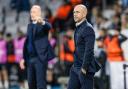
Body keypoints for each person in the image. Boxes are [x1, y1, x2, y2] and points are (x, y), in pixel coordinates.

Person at [19, 5, 55, 89]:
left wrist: (42, 22)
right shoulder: (29, 26)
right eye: (31, 12)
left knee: (40, 84)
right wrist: (24, 58)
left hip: (40, 58)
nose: (32, 14)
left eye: (34, 12)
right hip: (30, 59)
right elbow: (28, 43)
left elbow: (49, 26)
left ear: (39, 13)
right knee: (31, 84)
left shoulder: (43, 22)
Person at [67, 4, 101, 89]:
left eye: (77, 12)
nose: (74, 14)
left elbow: (89, 50)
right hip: (75, 67)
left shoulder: (88, 28)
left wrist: (84, 68)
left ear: (84, 14)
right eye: (74, 12)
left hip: (85, 68)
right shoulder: (78, 27)